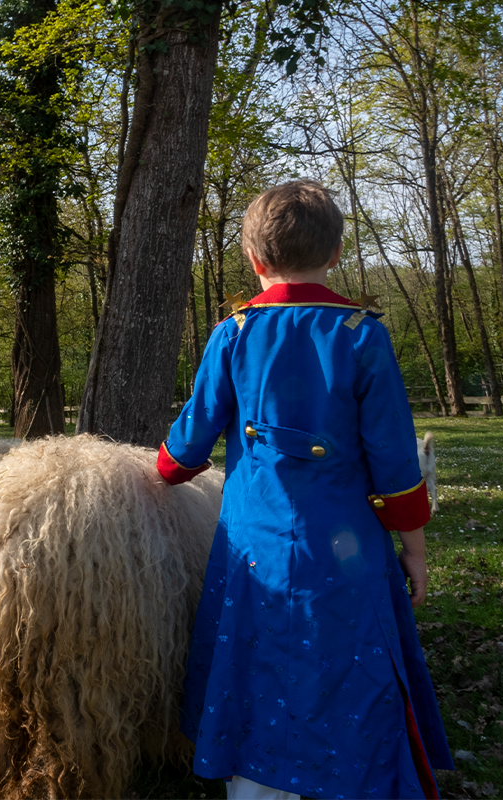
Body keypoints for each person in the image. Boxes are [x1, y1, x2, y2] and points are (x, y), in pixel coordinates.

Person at [156, 180, 453, 800]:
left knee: (257, 663)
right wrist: (416, 551)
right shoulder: (362, 335)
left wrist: (156, 473)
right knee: (349, 667)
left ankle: (257, 788)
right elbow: (396, 463)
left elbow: (186, 447)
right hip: (348, 552)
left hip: (253, 551)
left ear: (254, 259)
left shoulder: (232, 335)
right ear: (337, 254)